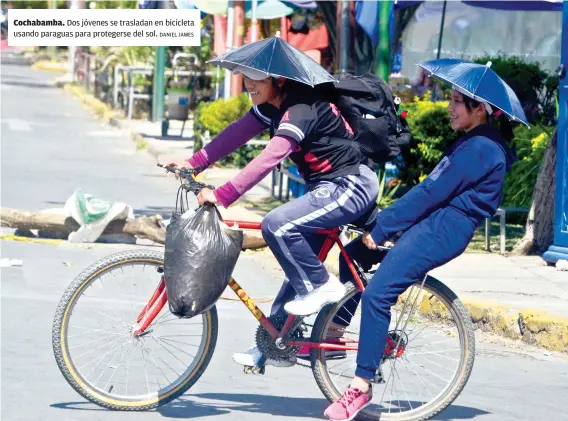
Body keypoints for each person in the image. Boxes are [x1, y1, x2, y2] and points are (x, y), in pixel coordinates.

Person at [323, 88, 517, 421]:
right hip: (432, 219)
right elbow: (429, 191)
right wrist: (381, 221)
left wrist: (382, 230)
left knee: (378, 294)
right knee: (351, 258)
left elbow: (432, 192)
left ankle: (361, 386)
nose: (449, 107)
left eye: (457, 102)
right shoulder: (473, 141)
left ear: (480, 109)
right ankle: (336, 337)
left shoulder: (482, 148)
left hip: (443, 229)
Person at [167, 66, 379, 369]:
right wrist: (194, 162)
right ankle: (272, 343)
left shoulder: (301, 107)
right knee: (297, 263)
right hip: (324, 189)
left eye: (255, 78)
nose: (247, 84)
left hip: (350, 185)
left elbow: (271, 156)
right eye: (245, 77)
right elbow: (237, 134)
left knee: (277, 225)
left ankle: (323, 286)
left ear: (278, 78)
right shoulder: (272, 106)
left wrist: (224, 194)